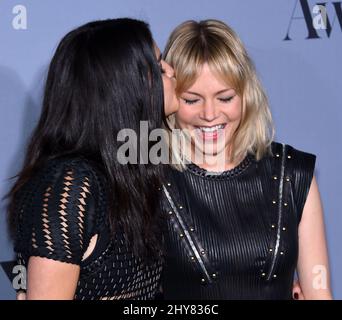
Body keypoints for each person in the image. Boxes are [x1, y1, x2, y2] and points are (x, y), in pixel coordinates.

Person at [160, 19, 332, 299]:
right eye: (192, 100)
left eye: (225, 98)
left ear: (246, 95)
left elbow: (319, 291)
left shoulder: (293, 174)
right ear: (169, 100)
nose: (210, 114)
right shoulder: (152, 181)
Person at [7, 18, 178, 300]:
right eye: (159, 67)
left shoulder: (130, 172)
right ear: (125, 90)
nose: (172, 71)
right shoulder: (71, 185)